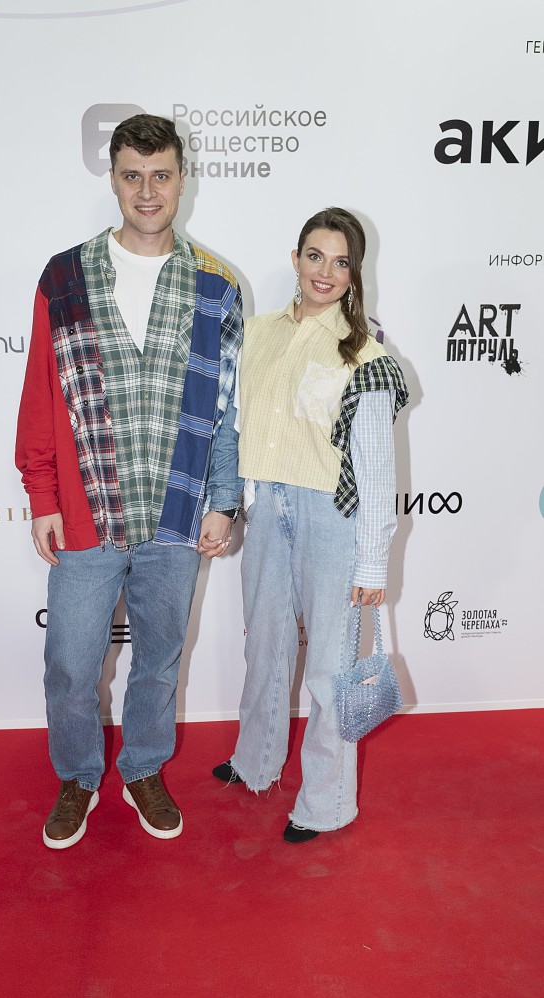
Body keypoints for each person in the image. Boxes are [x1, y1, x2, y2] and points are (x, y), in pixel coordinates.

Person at [16, 114, 243, 849]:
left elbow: (227, 408)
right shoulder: (64, 276)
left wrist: (224, 500)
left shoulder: (216, 284)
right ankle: (78, 776)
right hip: (87, 511)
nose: (148, 191)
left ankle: (143, 767)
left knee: (159, 661)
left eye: (161, 175)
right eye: (132, 176)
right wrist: (42, 496)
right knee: (69, 662)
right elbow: (40, 394)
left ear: (182, 180)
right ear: (113, 179)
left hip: (177, 514)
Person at [212, 208, 408, 843]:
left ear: (355, 273)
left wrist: (372, 561)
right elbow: (237, 422)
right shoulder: (257, 333)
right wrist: (237, 500)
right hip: (268, 506)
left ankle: (326, 803)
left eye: (341, 262)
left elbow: (376, 468)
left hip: (332, 517)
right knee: (264, 647)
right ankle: (255, 761)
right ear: (295, 259)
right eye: (315, 256)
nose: (326, 272)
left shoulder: (364, 352)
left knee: (327, 667)